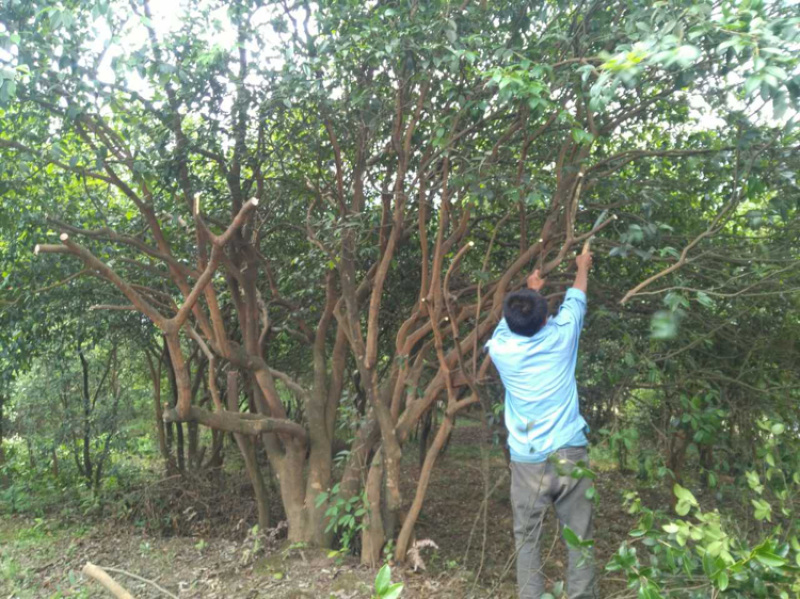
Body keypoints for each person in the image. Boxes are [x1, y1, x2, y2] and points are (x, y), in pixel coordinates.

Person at [486, 248, 596, 599]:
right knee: (579, 537)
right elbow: (577, 298)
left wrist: (530, 291)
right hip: (569, 452)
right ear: (546, 317)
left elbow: (514, 322)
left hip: (527, 460)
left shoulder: (500, 349)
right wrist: (582, 267)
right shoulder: (562, 338)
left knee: (527, 539)